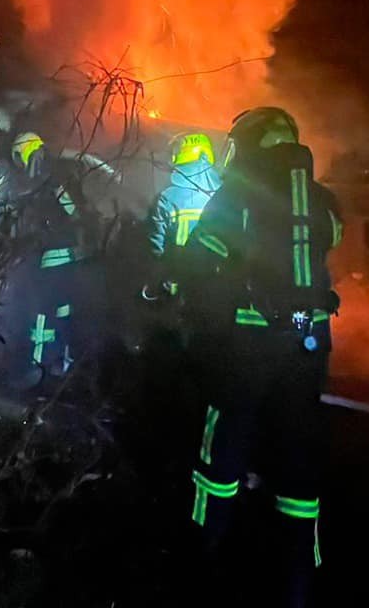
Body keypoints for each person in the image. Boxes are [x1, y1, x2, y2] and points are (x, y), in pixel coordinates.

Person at [174, 107, 343, 606]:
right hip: (308, 342)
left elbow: (201, 254)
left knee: (223, 445)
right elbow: (331, 241)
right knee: (298, 453)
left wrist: (175, 285)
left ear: (248, 144)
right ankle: (299, 577)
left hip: (248, 344)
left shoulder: (237, 195)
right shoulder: (319, 199)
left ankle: (203, 553)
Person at [2, 130, 95, 385]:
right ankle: (62, 364)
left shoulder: (47, 176)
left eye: (18, 157)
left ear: (25, 151)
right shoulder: (59, 172)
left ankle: (38, 367)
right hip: (69, 257)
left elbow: (70, 211)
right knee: (63, 310)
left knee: (41, 312)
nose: (20, 165)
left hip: (53, 257)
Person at [144, 132, 222, 297]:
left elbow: (155, 247)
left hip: (179, 288)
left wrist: (156, 285)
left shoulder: (167, 199)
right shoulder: (225, 195)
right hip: (217, 287)